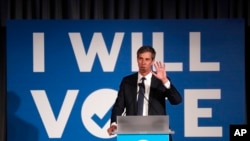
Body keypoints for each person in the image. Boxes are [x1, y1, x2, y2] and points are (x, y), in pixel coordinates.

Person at [107, 45, 182, 140]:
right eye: (140, 59)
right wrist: (114, 123)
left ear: (152, 61)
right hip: (132, 131)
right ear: (137, 59)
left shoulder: (160, 81)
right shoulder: (127, 81)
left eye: (147, 59)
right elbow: (119, 105)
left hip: (157, 131)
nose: (143, 63)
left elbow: (177, 100)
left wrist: (164, 81)